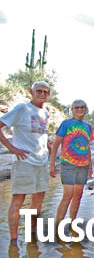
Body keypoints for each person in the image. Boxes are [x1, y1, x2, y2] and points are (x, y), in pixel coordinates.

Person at [0, 81, 50, 242]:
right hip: (24, 162)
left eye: (45, 92)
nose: (42, 94)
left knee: (38, 200)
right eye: (39, 91)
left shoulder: (45, 113)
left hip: (42, 162)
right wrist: (12, 148)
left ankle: (31, 234)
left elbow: (41, 135)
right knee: (19, 200)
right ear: (31, 92)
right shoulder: (22, 108)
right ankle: (14, 241)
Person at [49, 99, 93, 224]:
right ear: (72, 110)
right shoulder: (66, 124)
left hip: (83, 166)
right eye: (76, 107)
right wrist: (52, 164)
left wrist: (89, 166)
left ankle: (73, 224)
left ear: (85, 109)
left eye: (82, 107)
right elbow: (56, 144)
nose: (79, 109)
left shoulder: (88, 127)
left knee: (78, 196)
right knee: (68, 195)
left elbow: (87, 147)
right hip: (68, 164)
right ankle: (58, 226)